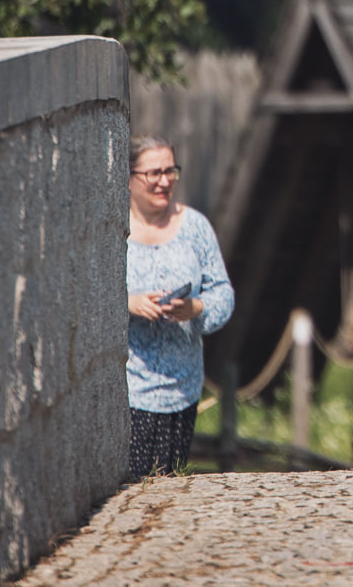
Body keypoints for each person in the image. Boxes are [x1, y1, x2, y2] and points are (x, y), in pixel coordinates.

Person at [125, 135, 233, 480]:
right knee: (130, 490)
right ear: (128, 177)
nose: (164, 180)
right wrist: (129, 303)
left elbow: (223, 293)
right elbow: (83, 294)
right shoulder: (112, 230)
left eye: (170, 171)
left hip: (182, 386)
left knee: (168, 488)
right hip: (128, 386)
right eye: (153, 172)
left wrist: (195, 308)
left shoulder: (195, 227)